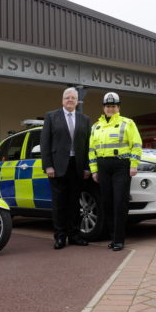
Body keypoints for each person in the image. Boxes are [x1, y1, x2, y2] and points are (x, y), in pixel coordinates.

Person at [89, 92, 142, 251]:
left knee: (120, 202)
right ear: (103, 108)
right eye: (107, 106)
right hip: (103, 167)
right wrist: (94, 170)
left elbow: (136, 144)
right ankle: (112, 237)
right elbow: (92, 150)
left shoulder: (128, 123)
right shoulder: (96, 126)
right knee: (107, 203)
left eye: (113, 106)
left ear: (118, 107)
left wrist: (133, 165)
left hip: (121, 166)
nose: (110, 109)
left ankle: (119, 239)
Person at [41, 87, 91, 249]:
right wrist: (48, 165)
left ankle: (75, 235)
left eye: (73, 98)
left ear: (77, 101)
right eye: (67, 97)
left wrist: (87, 167)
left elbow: (88, 146)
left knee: (75, 204)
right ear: (62, 100)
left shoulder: (85, 119)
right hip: (57, 167)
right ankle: (60, 237)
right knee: (59, 204)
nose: (70, 100)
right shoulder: (51, 116)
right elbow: (45, 143)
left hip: (77, 166)